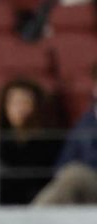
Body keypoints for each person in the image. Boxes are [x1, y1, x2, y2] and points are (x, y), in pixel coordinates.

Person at [33, 65, 97, 205]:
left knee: (74, 176)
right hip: (85, 184)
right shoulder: (87, 120)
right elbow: (65, 160)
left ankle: (31, 217)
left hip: (85, 178)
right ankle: (33, 215)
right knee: (69, 178)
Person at [0, 79, 62, 204]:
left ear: (37, 106)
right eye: (14, 102)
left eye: (25, 102)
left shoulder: (50, 143)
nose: (19, 109)